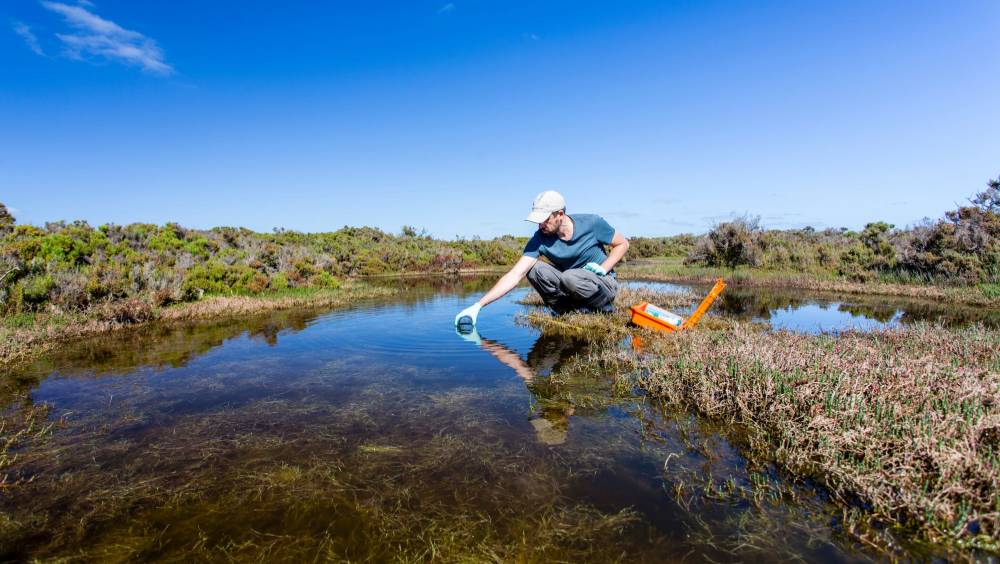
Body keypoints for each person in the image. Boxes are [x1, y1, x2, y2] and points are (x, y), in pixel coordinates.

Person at [454, 190, 629, 328]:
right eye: (538, 221)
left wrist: (604, 267)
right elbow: (514, 275)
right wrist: (478, 305)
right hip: (571, 283)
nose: (540, 226)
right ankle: (565, 310)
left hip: (602, 283)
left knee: (570, 277)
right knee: (534, 269)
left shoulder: (592, 223)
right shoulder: (540, 238)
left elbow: (622, 244)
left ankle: (604, 310)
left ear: (560, 214)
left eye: (544, 220)